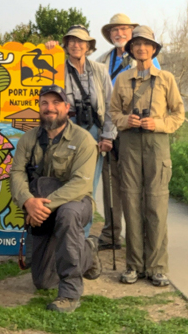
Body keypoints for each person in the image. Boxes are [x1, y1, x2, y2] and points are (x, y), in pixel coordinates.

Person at [10, 85, 102, 313]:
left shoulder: (84, 140)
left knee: (68, 215)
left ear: (66, 108)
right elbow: (17, 173)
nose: (49, 108)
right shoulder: (28, 139)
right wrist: (27, 202)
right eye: (44, 103)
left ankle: (70, 293)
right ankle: (87, 254)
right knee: (42, 282)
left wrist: (44, 205)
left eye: (56, 103)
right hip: (39, 207)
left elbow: (81, 183)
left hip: (75, 204)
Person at [109, 26, 184, 287]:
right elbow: (113, 112)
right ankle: (134, 266)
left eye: (146, 44)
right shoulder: (121, 80)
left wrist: (159, 124)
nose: (141, 48)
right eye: (136, 44)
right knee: (130, 204)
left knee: (157, 206)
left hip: (157, 146)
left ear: (153, 49)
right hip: (129, 146)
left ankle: (157, 267)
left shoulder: (166, 79)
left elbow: (178, 113)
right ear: (131, 50)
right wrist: (124, 120)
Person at [95, 13, 161, 250]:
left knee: (135, 186)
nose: (119, 33)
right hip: (108, 128)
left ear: (132, 34)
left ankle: (140, 237)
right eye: (115, 30)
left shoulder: (146, 60)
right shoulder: (102, 60)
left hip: (134, 131)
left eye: (124, 29)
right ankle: (111, 234)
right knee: (110, 184)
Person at [62, 25, 116, 235]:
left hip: (94, 131)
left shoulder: (100, 70)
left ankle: (81, 237)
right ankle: (64, 236)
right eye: (72, 41)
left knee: (88, 186)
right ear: (66, 45)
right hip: (66, 132)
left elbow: (111, 105)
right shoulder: (56, 68)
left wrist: (108, 136)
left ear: (88, 46)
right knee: (65, 182)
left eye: (81, 42)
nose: (76, 45)